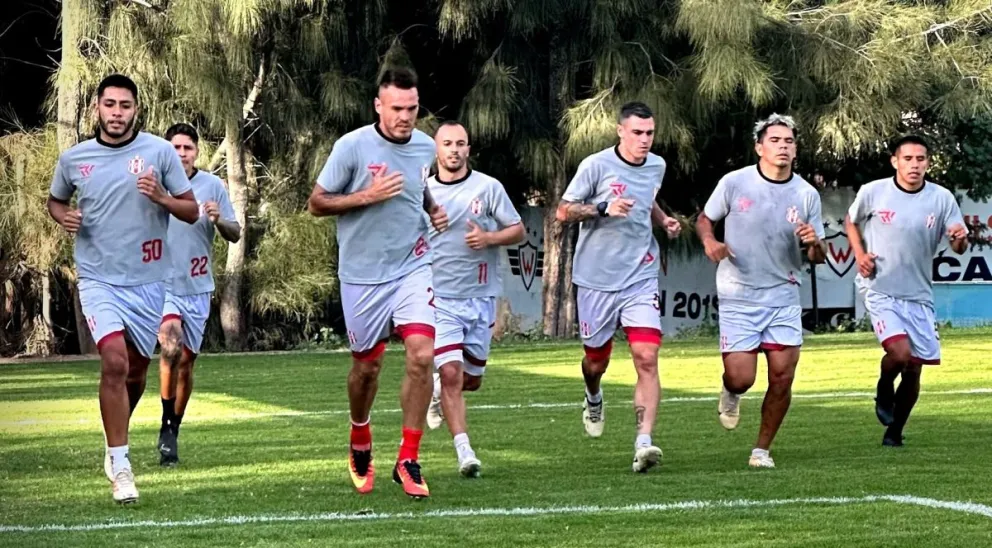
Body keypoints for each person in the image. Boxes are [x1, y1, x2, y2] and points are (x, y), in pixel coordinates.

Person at [47, 74, 199, 503]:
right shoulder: (76, 159)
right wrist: (63, 217)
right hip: (98, 279)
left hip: (149, 281)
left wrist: (162, 197)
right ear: (96, 107)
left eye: (125, 105)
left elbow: (189, 211)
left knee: (135, 372)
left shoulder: (159, 152)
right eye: (110, 104)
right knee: (112, 363)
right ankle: (122, 466)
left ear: (136, 109)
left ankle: (116, 436)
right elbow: (56, 201)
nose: (117, 113)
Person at [307, 66, 448, 499]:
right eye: (397, 109)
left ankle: (408, 458)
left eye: (412, 108)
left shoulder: (426, 147)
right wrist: (366, 196)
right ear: (378, 106)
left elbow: (417, 187)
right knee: (366, 369)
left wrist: (431, 207)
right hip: (363, 276)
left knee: (423, 354)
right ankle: (360, 434)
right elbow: (316, 203)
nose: (405, 116)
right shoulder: (351, 147)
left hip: (412, 266)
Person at [555, 101, 681, 473]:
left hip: (639, 275)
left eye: (650, 134)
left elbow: (648, 199)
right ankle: (593, 395)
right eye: (638, 133)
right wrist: (603, 208)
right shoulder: (596, 166)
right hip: (596, 278)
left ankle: (644, 442)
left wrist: (664, 221)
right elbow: (564, 211)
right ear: (620, 131)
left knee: (646, 356)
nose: (645, 141)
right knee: (596, 362)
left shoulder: (656, 165)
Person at [696, 113, 826, 469]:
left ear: (795, 150)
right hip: (739, 292)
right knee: (742, 377)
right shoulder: (735, 183)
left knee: (782, 376)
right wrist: (710, 241)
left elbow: (818, 256)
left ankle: (761, 450)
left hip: (783, 294)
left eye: (789, 141)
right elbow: (704, 219)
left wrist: (814, 243)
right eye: (775, 140)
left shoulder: (806, 194)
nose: (782, 147)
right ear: (759, 147)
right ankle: (731, 391)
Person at [844, 135, 967, 447]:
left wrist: (959, 237)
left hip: (919, 295)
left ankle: (895, 430)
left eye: (920, 159)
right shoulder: (874, 192)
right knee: (899, 354)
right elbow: (850, 221)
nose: (915, 165)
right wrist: (860, 254)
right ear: (894, 161)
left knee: (914, 369)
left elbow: (958, 244)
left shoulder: (941, 198)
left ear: (927, 163)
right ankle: (884, 387)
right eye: (908, 159)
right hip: (880, 287)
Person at [423, 121, 525, 477]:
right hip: (440, 300)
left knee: (471, 380)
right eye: (447, 143)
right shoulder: (423, 192)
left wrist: (488, 238)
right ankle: (465, 451)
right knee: (451, 373)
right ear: (436, 149)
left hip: (480, 299)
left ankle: (437, 391)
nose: (454, 149)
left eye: (460, 143)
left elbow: (518, 229)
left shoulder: (488, 187)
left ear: (469, 149)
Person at [156, 123, 242, 466]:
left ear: (196, 152)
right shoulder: (155, 186)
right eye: (174, 148)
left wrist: (219, 219)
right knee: (170, 344)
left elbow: (235, 233)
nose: (181, 154)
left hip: (197, 287)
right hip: (162, 284)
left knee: (187, 364)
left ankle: (173, 430)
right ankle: (164, 424)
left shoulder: (212, 186)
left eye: (187, 148)